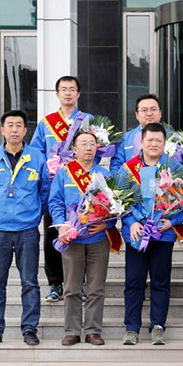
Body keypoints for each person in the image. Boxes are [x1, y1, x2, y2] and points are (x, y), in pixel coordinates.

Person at [0, 110, 49, 347]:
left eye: (19, 125)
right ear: (2, 130)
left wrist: (33, 214)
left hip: (27, 229)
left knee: (29, 281)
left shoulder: (37, 158)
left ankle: (29, 329)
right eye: (10, 125)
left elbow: (45, 191)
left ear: (25, 130)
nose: (14, 129)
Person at [120, 123, 183, 346]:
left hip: (162, 234)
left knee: (160, 281)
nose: (154, 144)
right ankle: (131, 328)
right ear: (141, 142)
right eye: (150, 140)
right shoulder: (127, 168)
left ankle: (158, 326)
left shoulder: (174, 168)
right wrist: (130, 223)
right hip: (136, 235)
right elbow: (119, 201)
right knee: (134, 282)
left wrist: (173, 221)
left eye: (158, 140)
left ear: (164, 143)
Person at [48, 131, 117, 346]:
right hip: (72, 239)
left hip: (97, 239)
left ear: (97, 148)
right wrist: (62, 225)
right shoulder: (64, 173)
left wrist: (107, 224)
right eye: (83, 144)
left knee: (96, 288)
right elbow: (55, 202)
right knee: (71, 287)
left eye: (92, 144)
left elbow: (116, 206)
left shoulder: (105, 174)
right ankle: (72, 331)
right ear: (74, 149)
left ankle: (93, 331)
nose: (88, 148)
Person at [30, 76, 91, 302]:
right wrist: (49, 166)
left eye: (72, 89)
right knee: (53, 232)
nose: (68, 93)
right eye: (63, 89)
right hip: (53, 187)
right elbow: (36, 153)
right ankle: (55, 282)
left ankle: (77, 283)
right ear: (57, 94)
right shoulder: (46, 123)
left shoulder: (87, 121)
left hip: (80, 185)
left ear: (78, 94)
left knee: (81, 233)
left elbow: (96, 150)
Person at [110, 93, 163, 173]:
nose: (149, 113)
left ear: (160, 113)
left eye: (153, 109)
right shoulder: (124, 139)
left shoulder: (173, 138)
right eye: (144, 110)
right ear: (137, 115)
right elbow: (115, 167)